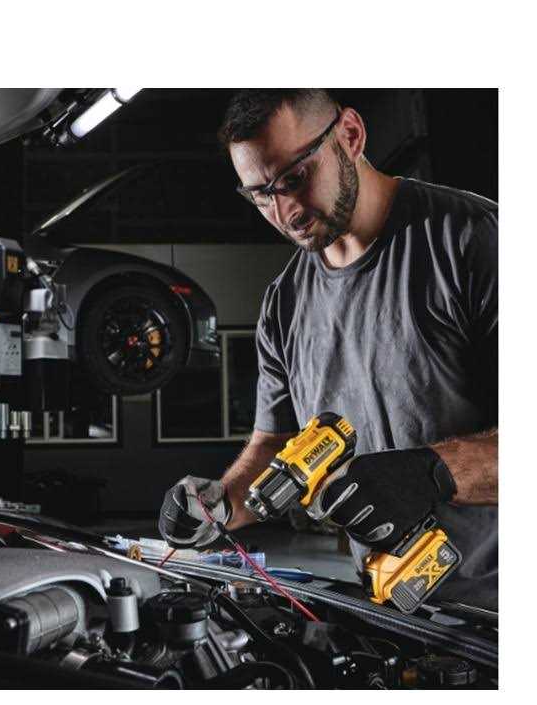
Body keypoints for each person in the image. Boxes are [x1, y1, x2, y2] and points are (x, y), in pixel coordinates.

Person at [158, 89, 498, 610]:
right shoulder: (285, 304)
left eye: (295, 178)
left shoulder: (475, 242)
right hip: (393, 613)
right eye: (261, 195)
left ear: (351, 136)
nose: (284, 211)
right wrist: (219, 505)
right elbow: (276, 448)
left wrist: (435, 472)